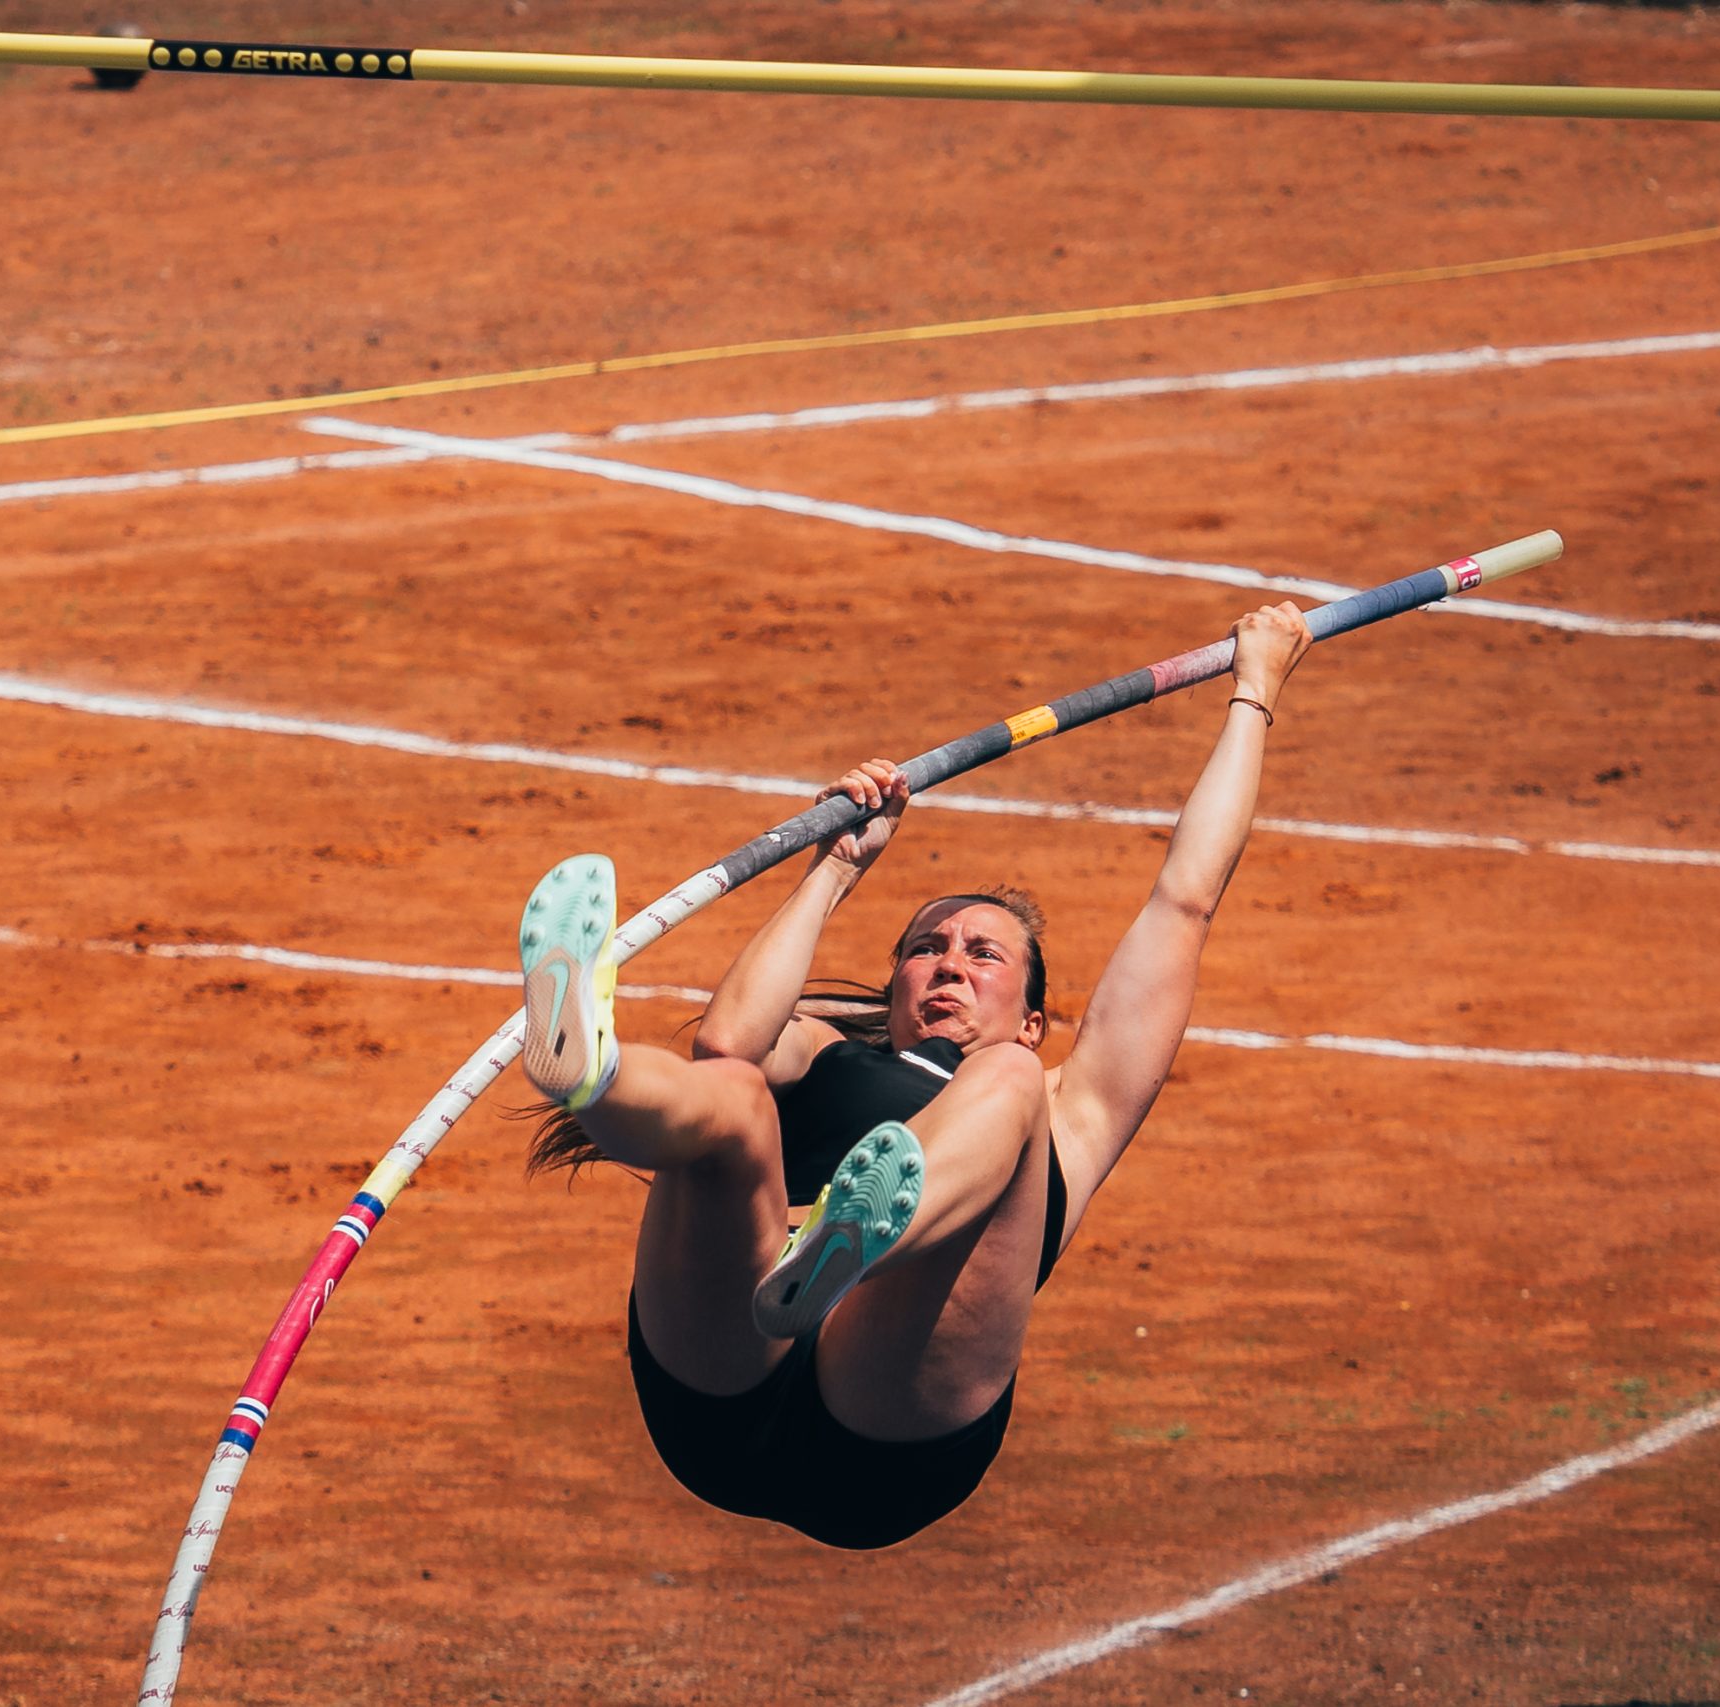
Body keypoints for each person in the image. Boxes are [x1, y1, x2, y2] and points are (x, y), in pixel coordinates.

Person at [513, 602, 1314, 1549]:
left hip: (888, 1434)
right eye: (927, 948)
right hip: (730, 1368)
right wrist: (835, 867)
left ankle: (853, 1253)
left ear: (1034, 1016)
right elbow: (728, 1039)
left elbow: (1185, 900)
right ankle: (591, 1072)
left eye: (983, 953)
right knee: (733, 1093)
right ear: (895, 982)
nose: (949, 964)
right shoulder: (827, 1053)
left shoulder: (1068, 1105)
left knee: (1009, 1086)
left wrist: (1255, 689)